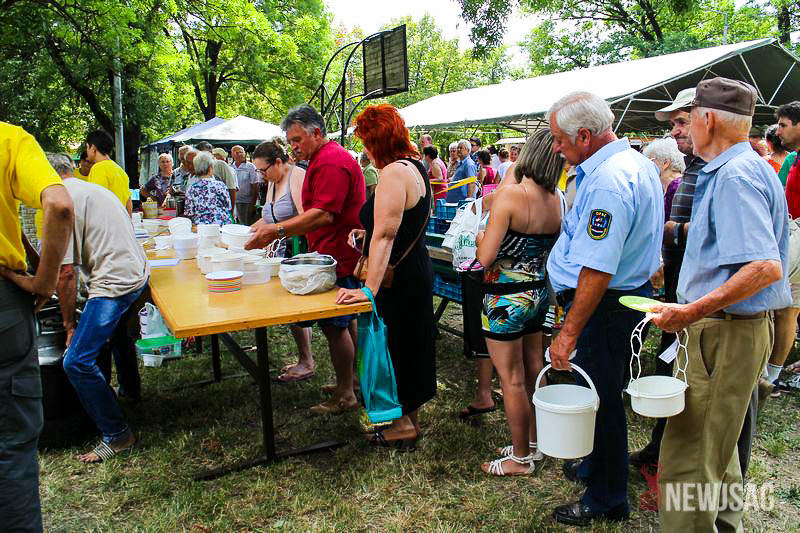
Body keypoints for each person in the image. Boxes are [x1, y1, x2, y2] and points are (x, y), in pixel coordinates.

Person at [650, 77, 790, 531]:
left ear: (707, 118)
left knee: (689, 458)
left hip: (723, 331)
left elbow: (764, 266)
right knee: (719, 448)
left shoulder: (734, 175)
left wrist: (690, 311)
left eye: (688, 117)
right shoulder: (743, 168)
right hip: (732, 329)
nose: (683, 127)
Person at [546, 91, 663, 526]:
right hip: (617, 301)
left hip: (605, 305)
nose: (555, 148)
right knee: (603, 393)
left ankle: (606, 498)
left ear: (584, 135)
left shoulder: (609, 181)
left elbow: (597, 270)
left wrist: (568, 333)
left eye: (559, 139)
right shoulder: (633, 163)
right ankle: (598, 467)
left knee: (602, 400)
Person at [245, 104, 365, 415]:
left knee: (336, 327)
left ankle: (346, 395)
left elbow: (324, 214)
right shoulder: (322, 159)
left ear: (317, 133)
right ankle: (353, 382)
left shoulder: (330, 162)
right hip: (336, 253)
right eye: (290, 141)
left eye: (297, 140)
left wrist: (276, 230)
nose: (293, 147)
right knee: (346, 321)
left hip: (338, 255)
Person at [336, 104, 436, 448]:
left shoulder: (393, 172)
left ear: (376, 141)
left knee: (395, 346)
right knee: (409, 344)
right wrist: (366, 234)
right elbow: (399, 226)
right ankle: (408, 419)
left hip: (399, 277)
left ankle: (404, 424)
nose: (364, 148)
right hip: (414, 268)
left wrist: (368, 290)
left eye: (365, 141)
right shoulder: (415, 167)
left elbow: (387, 236)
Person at [43, 153, 149, 464]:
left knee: (76, 361)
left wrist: (69, 326)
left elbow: (65, 274)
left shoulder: (60, 201)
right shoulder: (93, 189)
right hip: (137, 273)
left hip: (114, 284)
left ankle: (118, 435)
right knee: (118, 335)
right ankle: (130, 392)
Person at [628, 88, 708, 472]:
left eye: (681, 122)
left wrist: (667, 230)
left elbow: (715, 234)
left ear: (707, 119)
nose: (674, 132)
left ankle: (673, 459)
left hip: (700, 301)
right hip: (679, 292)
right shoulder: (694, 168)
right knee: (671, 368)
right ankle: (661, 449)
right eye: (673, 124)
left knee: (685, 377)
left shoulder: (717, 172)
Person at [475, 129, 563, 476]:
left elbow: (485, 257)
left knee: (510, 378)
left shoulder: (510, 195)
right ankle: (535, 442)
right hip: (539, 294)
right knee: (534, 369)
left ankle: (520, 458)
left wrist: (480, 237)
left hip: (505, 298)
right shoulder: (556, 199)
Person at [0, 122, 73, 533]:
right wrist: (44, 280)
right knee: (9, 444)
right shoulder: (7, 139)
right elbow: (59, 206)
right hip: (3, 302)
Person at [251, 138, 316, 383]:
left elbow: (306, 218)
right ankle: (304, 358)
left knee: (295, 311)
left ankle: (307, 361)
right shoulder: (273, 181)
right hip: (278, 254)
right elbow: (269, 218)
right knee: (290, 311)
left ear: (278, 162)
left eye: (263, 170)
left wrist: (276, 232)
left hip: (296, 252)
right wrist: (244, 232)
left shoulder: (296, 176)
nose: (261, 175)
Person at [85, 130, 132, 215]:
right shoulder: (120, 170)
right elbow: (128, 202)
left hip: (105, 221)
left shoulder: (98, 168)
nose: (87, 151)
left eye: (87, 147)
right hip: (120, 220)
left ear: (93, 148)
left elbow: (96, 201)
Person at [183, 151, 232, 226]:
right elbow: (228, 206)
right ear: (210, 168)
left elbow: (189, 212)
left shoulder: (191, 188)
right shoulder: (221, 185)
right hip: (222, 224)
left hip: (202, 227)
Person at [641, 137, 685, 217]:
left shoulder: (675, 186)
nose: (646, 166)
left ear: (665, 163)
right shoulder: (674, 185)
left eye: (650, 161)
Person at [196, 141, 238, 216]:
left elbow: (232, 188)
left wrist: (231, 212)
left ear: (211, 153)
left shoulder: (220, 164)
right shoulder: (197, 166)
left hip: (222, 212)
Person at [231, 145, 259, 225]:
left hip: (247, 202)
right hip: (234, 202)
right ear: (232, 154)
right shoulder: (231, 167)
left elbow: (255, 185)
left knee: (247, 225)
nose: (240, 154)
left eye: (242, 152)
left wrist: (253, 204)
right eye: (237, 152)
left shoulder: (250, 166)